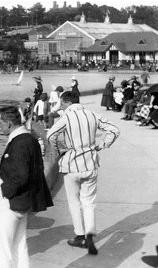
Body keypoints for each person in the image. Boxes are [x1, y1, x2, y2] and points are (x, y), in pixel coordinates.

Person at [47, 92, 119, 255]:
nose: (61, 107)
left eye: (62, 104)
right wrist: (102, 145)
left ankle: (80, 235)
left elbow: (50, 135)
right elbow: (114, 130)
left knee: (74, 202)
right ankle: (90, 233)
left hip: (72, 164)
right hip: (90, 163)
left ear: (66, 102)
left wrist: (60, 150)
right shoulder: (92, 114)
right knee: (89, 201)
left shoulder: (67, 117)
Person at [0, 106, 53, 268]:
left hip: (11, 201)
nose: (0, 127)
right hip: (22, 200)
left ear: (9, 123)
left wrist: (3, 191)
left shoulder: (20, 143)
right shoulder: (30, 139)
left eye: (0, 124)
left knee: (1, 247)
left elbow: (21, 175)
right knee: (19, 245)